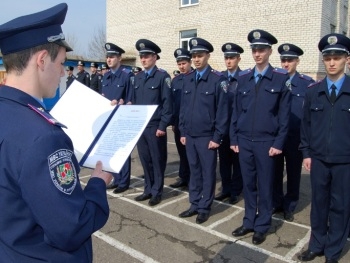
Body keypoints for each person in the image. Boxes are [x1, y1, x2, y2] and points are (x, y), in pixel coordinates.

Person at [0, 3, 113, 262]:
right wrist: (98, 182)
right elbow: (72, 228)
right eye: (61, 63)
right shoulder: (45, 137)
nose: (63, 71)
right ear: (42, 60)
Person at [230, 29, 291, 245]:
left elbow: (284, 117)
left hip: (267, 143)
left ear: (269, 51)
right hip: (245, 141)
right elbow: (236, 113)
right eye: (254, 50)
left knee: (265, 185)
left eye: (261, 50)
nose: (257, 54)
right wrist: (234, 138)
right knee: (248, 185)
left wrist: (278, 143)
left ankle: (262, 225)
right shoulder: (244, 78)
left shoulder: (280, 79)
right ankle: (248, 221)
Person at [297, 34, 350, 263]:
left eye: (336, 57)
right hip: (318, 159)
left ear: (347, 59)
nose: (331, 62)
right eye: (327, 57)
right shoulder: (313, 91)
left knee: (340, 207)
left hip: (345, 161)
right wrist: (306, 153)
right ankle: (317, 244)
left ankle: (333, 251)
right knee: (318, 205)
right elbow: (305, 125)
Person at [178, 37, 229, 224]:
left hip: (207, 137)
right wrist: (182, 132)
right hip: (190, 135)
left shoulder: (218, 80)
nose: (197, 59)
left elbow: (223, 112)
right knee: (194, 171)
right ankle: (194, 203)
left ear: (207, 56)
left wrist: (217, 137)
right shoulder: (188, 79)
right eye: (194, 56)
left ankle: (205, 207)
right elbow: (183, 108)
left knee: (208, 173)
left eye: (200, 55)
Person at [273, 43, 314, 222]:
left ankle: (290, 205)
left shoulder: (307, 84)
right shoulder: (274, 80)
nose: (286, 64)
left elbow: (311, 114)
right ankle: (276, 202)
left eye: (289, 60)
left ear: (297, 61)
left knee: (293, 173)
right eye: (283, 60)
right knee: (274, 172)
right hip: (276, 137)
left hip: (295, 137)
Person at [132, 39, 173, 206]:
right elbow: (134, 103)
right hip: (141, 127)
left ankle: (157, 191)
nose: (143, 59)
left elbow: (168, 104)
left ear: (155, 57)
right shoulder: (138, 78)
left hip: (155, 127)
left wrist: (162, 126)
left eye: (147, 56)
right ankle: (147, 189)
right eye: (141, 56)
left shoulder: (163, 77)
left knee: (157, 160)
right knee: (145, 159)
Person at [102, 42, 134, 194]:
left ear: (119, 58)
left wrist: (123, 104)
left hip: (121, 120)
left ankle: (124, 182)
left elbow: (131, 99)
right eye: (107, 57)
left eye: (112, 57)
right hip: (108, 120)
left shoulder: (127, 75)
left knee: (123, 151)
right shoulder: (106, 76)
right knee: (111, 151)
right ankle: (116, 178)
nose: (109, 60)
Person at [215, 42, 244, 205]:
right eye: (226, 57)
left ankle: (235, 190)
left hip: (238, 128)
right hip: (222, 128)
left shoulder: (245, 78)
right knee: (224, 161)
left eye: (232, 57)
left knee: (237, 162)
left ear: (238, 59)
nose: (228, 61)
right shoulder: (220, 78)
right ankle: (225, 189)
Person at [169, 48, 192, 189]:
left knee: (192, 153)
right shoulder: (175, 81)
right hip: (178, 123)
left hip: (191, 122)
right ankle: (183, 176)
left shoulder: (195, 78)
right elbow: (173, 102)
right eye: (179, 64)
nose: (182, 67)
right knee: (182, 153)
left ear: (190, 62)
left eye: (184, 63)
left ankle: (194, 179)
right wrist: (173, 122)